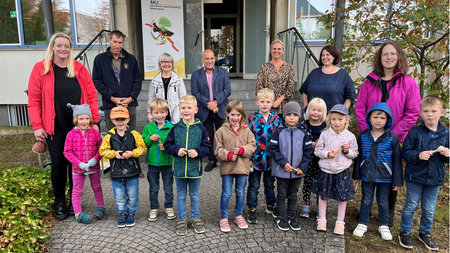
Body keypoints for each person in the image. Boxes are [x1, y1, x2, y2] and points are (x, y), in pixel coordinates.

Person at [27, 32, 100, 220]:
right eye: (59, 45)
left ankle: (73, 201)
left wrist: (94, 123)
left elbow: (91, 97)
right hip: (54, 126)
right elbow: (34, 100)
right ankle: (59, 200)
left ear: (70, 48)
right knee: (58, 164)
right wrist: (37, 126)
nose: (63, 49)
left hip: (78, 127)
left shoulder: (79, 69)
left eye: (66, 46)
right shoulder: (41, 69)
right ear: (52, 47)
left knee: (74, 165)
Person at [354, 41, 421, 227]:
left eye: (392, 54)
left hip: (395, 138)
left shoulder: (407, 83)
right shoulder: (369, 82)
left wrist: (392, 134)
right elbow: (360, 108)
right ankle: (365, 210)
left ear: (399, 56)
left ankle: (388, 212)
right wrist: (367, 132)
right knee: (368, 169)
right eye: (385, 54)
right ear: (380, 58)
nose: (389, 57)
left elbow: (413, 113)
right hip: (371, 137)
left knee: (390, 173)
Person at [399, 96, 449, 251]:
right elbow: (405, 152)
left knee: (429, 208)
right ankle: (405, 232)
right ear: (420, 113)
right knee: (411, 205)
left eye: (434, 111)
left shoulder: (446, 133)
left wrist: (448, 154)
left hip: (435, 179)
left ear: (442, 112)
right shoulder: (415, 132)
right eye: (426, 111)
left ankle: (425, 233)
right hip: (416, 176)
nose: (430, 114)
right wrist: (418, 155)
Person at [352, 102, 402, 241]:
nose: (378, 120)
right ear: (369, 118)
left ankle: (383, 225)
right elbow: (358, 156)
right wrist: (356, 175)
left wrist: (397, 181)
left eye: (382, 118)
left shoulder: (392, 137)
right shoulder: (363, 136)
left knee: (383, 201)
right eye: (375, 117)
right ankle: (362, 223)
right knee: (366, 200)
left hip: (385, 177)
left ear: (388, 120)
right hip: (367, 175)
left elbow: (397, 160)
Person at [164, 95, 212, 236]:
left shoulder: (201, 129)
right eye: (183, 108)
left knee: (195, 195)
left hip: (194, 169)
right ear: (179, 109)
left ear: (195, 110)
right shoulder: (175, 128)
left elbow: (207, 147)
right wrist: (176, 150)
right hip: (179, 168)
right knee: (180, 195)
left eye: (189, 108)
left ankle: (196, 218)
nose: (186, 110)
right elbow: (167, 145)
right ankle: (182, 220)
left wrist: (197, 152)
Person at [311, 104, 358, 235]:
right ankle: (322, 219)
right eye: (334, 119)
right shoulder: (325, 134)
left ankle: (340, 222)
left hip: (341, 171)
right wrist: (327, 154)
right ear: (329, 120)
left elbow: (355, 153)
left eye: (340, 119)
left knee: (342, 197)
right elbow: (318, 150)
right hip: (326, 170)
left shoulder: (350, 137)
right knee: (323, 195)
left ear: (346, 121)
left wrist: (347, 152)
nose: (337, 122)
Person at [99, 107, 147, 228]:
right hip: (116, 171)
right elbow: (102, 151)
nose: (120, 122)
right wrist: (113, 154)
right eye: (117, 119)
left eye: (123, 119)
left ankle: (131, 212)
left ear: (128, 119)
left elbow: (143, 148)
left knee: (132, 194)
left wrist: (132, 153)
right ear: (112, 120)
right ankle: (121, 213)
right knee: (119, 195)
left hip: (132, 170)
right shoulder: (109, 136)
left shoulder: (134, 134)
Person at [270, 101, 313, 231]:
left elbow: (308, 153)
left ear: (299, 117)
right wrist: (283, 163)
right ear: (284, 116)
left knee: (293, 195)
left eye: (295, 115)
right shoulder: (278, 132)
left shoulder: (304, 134)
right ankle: (281, 217)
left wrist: (303, 167)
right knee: (282, 194)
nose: (292, 117)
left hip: (297, 172)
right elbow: (273, 149)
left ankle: (291, 217)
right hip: (282, 171)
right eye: (289, 114)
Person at [214, 100, 256, 232]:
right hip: (228, 168)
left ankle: (238, 215)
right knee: (226, 193)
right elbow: (217, 150)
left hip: (242, 167)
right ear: (227, 114)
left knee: (240, 192)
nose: (235, 118)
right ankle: (224, 217)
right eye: (232, 114)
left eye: (238, 115)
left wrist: (243, 150)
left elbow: (252, 146)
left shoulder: (247, 131)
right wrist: (228, 155)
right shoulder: (221, 131)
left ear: (242, 115)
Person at [93, 30, 142, 131]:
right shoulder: (100, 59)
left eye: (120, 42)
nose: (117, 45)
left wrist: (131, 98)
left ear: (123, 43)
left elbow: (137, 80)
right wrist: (111, 97)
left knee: (131, 134)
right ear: (109, 40)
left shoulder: (131, 59)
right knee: (113, 135)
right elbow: (97, 81)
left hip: (129, 104)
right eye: (115, 42)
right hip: (110, 103)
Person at [191, 49, 231, 172]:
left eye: (212, 58)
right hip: (204, 110)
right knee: (208, 136)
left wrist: (216, 102)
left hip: (220, 108)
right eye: (207, 58)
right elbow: (195, 92)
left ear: (215, 59)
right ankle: (212, 159)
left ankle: (223, 158)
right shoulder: (196, 74)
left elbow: (227, 90)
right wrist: (208, 103)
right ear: (202, 60)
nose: (210, 61)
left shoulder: (223, 72)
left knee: (223, 135)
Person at [63, 104, 105, 224]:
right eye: (81, 118)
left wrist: (95, 159)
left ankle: (101, 206)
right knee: (77, 190)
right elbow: (67, 152)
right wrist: (79, 163)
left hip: (94, 167)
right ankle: (78, 213)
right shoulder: (71, 134)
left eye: (87, 118)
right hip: (78, 168)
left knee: (97, 187)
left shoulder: (95, 133)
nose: (84, 121)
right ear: (76, 119)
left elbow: (101, 148)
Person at [247, 88, 282, 224]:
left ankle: (270, 205)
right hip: (256, 160)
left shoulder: (276, 120)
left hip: (271, 160)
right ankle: (252, 208)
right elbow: (247, 140)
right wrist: (249, 159)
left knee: (269, 184)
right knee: (253, 185)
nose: (265, 104)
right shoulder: (252, 120)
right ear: (257, 102)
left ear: (273, 103)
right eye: (262, 101)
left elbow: (281, 140)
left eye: (268, 102)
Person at [142, 98, 176, 222]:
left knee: (168, 187)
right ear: (151, 114)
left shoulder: (172, 128)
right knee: (154, 187)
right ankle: (154, 207)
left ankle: (169, 206)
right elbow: (143, 145)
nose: (159, 115)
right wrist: (150, 138)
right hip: (152, 164)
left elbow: (175, 146)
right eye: (156, 113)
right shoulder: (148, 128)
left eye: (162, 112)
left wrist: (167, 147)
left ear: (166, 113)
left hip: (167, 163)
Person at [300, 45, 355, 111]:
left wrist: (342, 112)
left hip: (334, 118)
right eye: (323, 55)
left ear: (334, 56)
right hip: (314, 117)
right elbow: (304, 91)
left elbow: (350, 96)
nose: (325, 57)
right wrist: (306, 108)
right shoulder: (314, 73)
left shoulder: (343, 75)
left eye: (327, 55)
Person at [299, 98, 327, 218]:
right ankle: (306, 204)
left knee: (321, 184)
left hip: (322, 161)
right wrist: (309, 144)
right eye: (313, 109)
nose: (315, 112)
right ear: (308, 110)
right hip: (308, 160)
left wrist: (320, 145)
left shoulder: (326, 127)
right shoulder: (303, 126)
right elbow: (299, 141)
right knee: (307, 183)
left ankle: (320, 206)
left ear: (324, 112)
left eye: (319, 110)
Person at [255, 39, 295, 116]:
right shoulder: (263, 68)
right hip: (267, 109)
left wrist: (279, 100)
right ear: (271, 50)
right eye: (274, 48)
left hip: (283, 108)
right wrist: (269, 102)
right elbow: (259, 89)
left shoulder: (289, 67)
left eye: (279, 49)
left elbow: (291, 89)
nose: (276, 51)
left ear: (283, 51)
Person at [147, 53, 187, 124]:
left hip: (175, 114)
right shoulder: (155, 81)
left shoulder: (178, 80)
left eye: (169, 62)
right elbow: (151, 99)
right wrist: (149, 115)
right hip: (159, 114)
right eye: (163, 62)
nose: (166, 64)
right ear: (160, 64)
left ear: (172, 64)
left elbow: (183, 98)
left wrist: (182, 115)